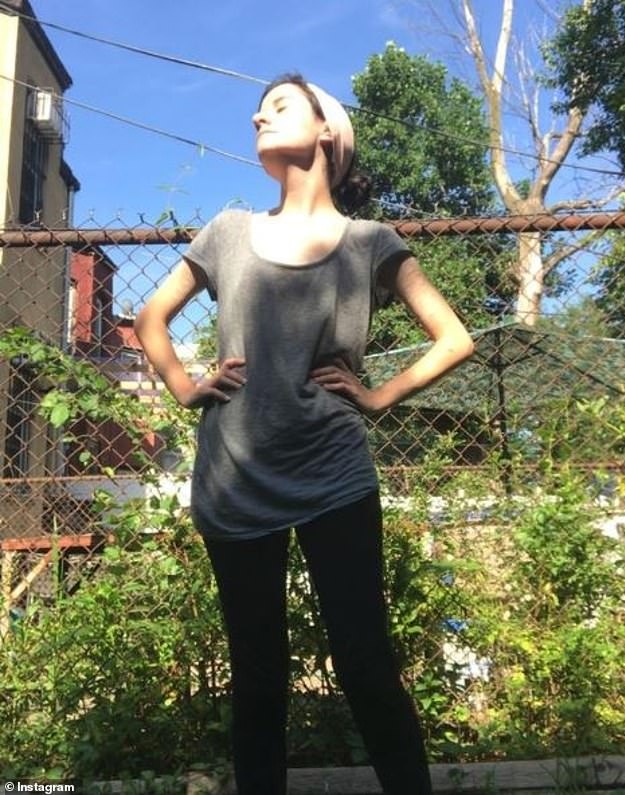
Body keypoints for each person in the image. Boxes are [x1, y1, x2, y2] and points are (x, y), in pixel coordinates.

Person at [134, 73, 474, 795]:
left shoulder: (371, 242)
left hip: (334, 475)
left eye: (280, 106)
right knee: (258, 677)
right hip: (235, 481)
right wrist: (186, 386)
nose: (259, 116)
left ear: (327, 130)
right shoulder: (227, 232)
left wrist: (379, 396)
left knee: (366, 664)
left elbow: (454, 338)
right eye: (258, 110)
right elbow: (149, 317)